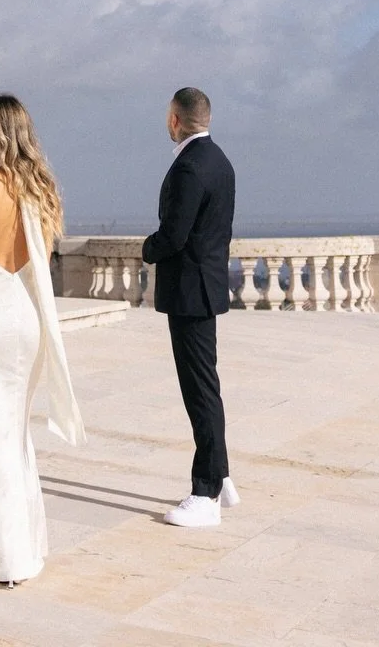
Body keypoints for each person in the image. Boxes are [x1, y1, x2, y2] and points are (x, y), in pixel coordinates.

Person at [0, 94, 85, 584]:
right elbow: (40, 259)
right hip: (27, 317)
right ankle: (27, 548)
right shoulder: (38, 188)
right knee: (14, 435)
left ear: (4, 135)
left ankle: (7, 562)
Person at [141, 85, 240, 527]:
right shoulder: (220, 161)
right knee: (206, 386)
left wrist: (147, 248)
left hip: (189, 291)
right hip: (207, 285)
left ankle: (206, 493)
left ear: (175, 119)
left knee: (199, 391)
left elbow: (173, 236)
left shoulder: (189, 167)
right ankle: (220, 473)